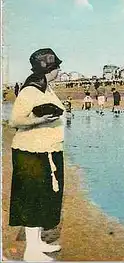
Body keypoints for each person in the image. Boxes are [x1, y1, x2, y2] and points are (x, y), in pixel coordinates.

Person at [8, 48, 65, 261]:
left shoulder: (45, 88)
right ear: (48, 69)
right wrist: (42, 120)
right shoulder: (30, 90)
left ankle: (36, 242)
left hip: (47, 150)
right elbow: (15, 121)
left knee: (44, 197)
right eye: (57, 67)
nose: (59, 70)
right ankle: (31, 252)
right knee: (33, 198)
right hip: (31, 152)